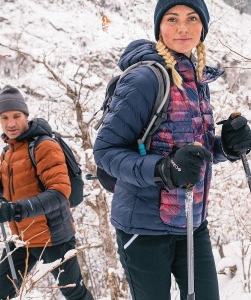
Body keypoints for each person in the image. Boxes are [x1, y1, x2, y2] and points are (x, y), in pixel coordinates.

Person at [93, 0, 251, 299]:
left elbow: (190, 153)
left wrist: (226, 148)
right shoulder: (144, 80)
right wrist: (163, 169)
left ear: (203, 27)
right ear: (159, 27)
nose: (183, 28)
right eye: (172, 19)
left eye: (192, 18)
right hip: (143, 228)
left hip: (192, 221)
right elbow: (106, 151)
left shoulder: (196, 79)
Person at [0, 85, 94, 300]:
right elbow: (5, 190)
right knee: (1, 294)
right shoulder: (8, 152)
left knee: (74, 294)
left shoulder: (44, 146)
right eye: (4, 117)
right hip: (20, 238)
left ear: (26, 115)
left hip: (53, 237)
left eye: (16, 116)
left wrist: (15, 210)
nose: (11, 123)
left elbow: (60, 192)